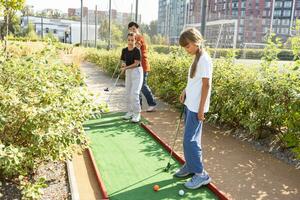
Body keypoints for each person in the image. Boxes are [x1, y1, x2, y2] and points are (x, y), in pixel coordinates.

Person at [174, 28, 213, 189]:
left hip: (197, 107)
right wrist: (185, 90)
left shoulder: (204, 59)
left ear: (196, 42)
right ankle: (190, 166)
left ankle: (201, 174)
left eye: (187, 46)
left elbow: (206, 85)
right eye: (184, 47)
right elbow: (194, 81)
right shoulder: (197, 57)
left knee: (190, 141)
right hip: (191, 104)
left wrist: (201, 109)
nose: (186, 49)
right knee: (189, 139)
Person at [128, 21, 157, 112]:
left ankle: (152, 103)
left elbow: (136, 48)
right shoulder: (132, 39)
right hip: (136, 66)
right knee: (137, 86)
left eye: (134, 29)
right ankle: (138, 106)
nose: (132, 30)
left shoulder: (139, 38)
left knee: (142, 85)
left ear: (137, 29)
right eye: (130, 29)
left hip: (143, 66)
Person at [120, 32, 143, 122]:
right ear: (127, 40)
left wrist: (125, 67)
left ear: (135, 40)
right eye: (129, 40)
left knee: (134, 93)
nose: (130, 42)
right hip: (128, 72)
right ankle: (130, 112)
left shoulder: (137, 50)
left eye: (132, 40)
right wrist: (123, 66)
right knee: (128, 93)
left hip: (137, 72)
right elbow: (123, 61)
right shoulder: (124, 50)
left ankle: (137, 114)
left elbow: (136, 63)